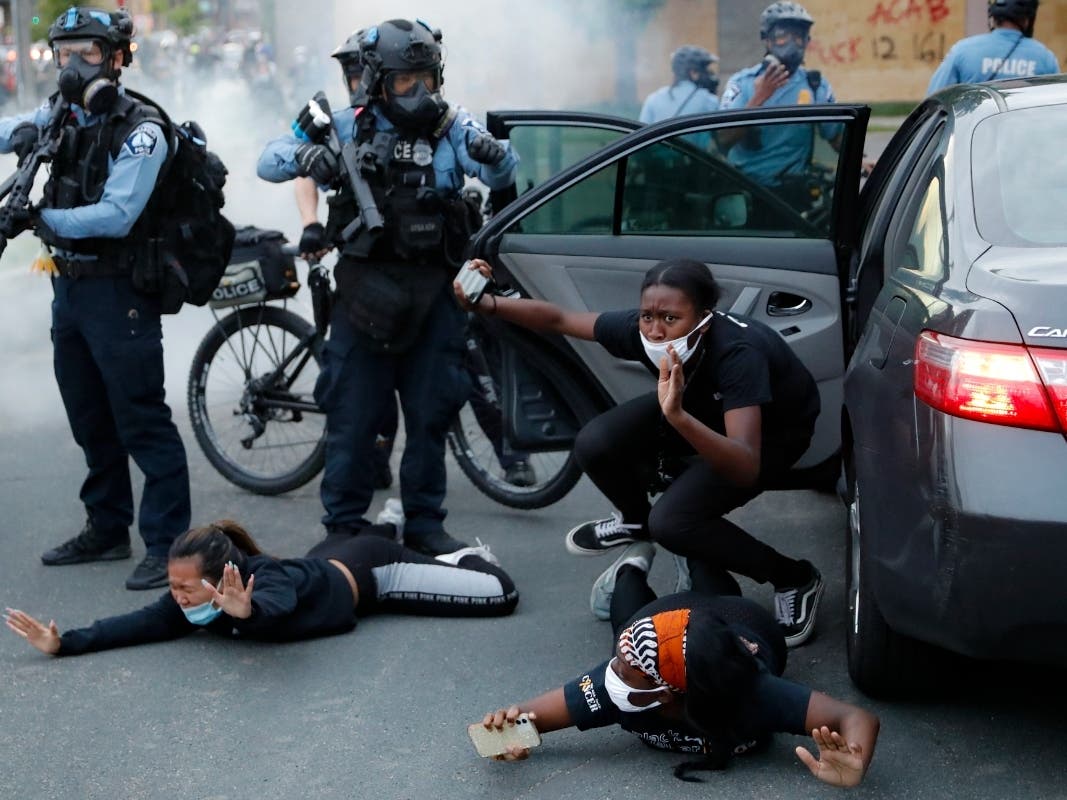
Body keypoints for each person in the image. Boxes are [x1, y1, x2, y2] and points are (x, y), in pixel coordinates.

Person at [454, 257, 825, 647]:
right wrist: (488, 305)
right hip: (695, 409)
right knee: (594, 443)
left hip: (769, 436)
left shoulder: (738, 353)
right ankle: (635, 520)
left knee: (674, 523)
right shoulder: (643, 329)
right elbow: (560, 319)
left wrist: (678, 418)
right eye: (647, 316)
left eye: (669, 318)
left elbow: (746, 466)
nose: (655, 330)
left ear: (704, 316)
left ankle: (793, 576)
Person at [258, 19, 518, 556]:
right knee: (353, 417)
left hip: (434, 293)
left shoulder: (451, 126)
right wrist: (306, 155)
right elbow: (269, 160)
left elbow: (495, 168)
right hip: (364, 296)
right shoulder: (346, 124)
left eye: (427, 78)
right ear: (378, 80)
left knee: (431, 416)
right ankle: (344, 527)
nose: (419, 92)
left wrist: (497, 159)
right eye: (405, 82)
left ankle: (424, 523)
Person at [0, 7, 190, 590]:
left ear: (116, 57)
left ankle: (169, 545)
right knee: (89, 417)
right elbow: (9, 130)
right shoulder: (60, 114)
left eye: (87, 52)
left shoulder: (143, 128)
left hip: (121, 293)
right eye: (64, 53)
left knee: (142, 421)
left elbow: (116, 214)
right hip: (70, 289)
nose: (73, 65)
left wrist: (39, 216)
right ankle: (107, 528)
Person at [474, 545, 879, 784]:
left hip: (737, 622)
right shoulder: (619, 673)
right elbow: (517, 725)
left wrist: (855, 760)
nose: (611, 672)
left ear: (666, 692)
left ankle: (695, 558)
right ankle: (631, 564)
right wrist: (505, 739)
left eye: (626, 668)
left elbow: (854, 718)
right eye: (619, 660)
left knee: (716, 588)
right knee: (625, 615)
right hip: (672, 618)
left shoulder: (754, 693)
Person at [4, 518, 518, 657]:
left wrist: (244, 614)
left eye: (185, 586)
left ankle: (462, 556)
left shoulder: (262, 580)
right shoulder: (188, 601)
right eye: (173, 585)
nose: (176, 596)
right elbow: (135, 624)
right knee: (349, 539)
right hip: (328, 560)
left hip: (375, 577)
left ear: (218, 578)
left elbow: (277, 605)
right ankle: (388, 521)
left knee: (500, 595)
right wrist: (64, 642)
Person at [717, 2, 841, 189]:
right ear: (767, 40)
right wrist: (760, 97)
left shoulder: (815, 85)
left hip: (795, 194)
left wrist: (859, 160)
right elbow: (723, 139)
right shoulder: (742, 83)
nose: (792, 42)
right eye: (782, 35)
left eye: (798, 35)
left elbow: (837, 138)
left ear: (807, 41)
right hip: (748, 191)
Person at [926, 0, 1058, 95]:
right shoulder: (1045, 57)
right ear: (1027, 20)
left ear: (993, 18)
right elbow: (1057, 106)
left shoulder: (963, 50)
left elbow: (935, 98)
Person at [639, 45, 719, 124]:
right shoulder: (709, 101)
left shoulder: (653, 99)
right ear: (693, 73)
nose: (709, 74)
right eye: (705, 70)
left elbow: (641, 132)